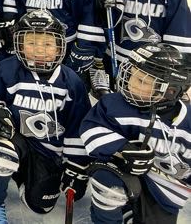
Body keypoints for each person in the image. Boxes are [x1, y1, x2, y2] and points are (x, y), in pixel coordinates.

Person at [0, 10, 91, 224]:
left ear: (59, 46)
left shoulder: (71, 81)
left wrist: (76, 166)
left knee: (41, 206)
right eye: (31, 43)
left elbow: (77, 127)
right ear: (19, 44)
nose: (39, 50)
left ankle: (21, 176)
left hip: (48, 153)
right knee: (1, 151)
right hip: (15, 140)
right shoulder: (7, 69)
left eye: (47, 44)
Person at [81, 43, 191, 224]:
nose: (130, 82)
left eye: (142, 81)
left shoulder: (187, 124)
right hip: (122, 172)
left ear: (170, 91)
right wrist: (123, 148)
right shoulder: (115, 104)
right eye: (132, 75)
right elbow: (92, 128)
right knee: (107, 183)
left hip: (163, 191)